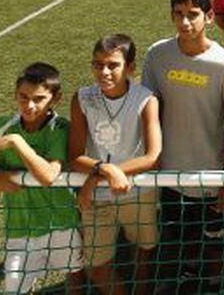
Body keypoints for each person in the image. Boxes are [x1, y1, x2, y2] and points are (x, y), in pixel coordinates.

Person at [0, 62, 85, 294]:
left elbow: (48, 176)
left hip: (62, 222)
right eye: (23, 97)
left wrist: (17, 142)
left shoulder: (60, 128)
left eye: (39, 99)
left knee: (74, 273)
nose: (29, 105)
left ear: (56, 98)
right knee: (15, 288)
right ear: (15, 94)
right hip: (20, 227)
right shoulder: (3, 126)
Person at [141, 0, 224, 289]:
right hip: (170, 172)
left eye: (193, 14)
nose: (184, 22)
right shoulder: (157, 55)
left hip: (211, 175)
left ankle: (213, 280)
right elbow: (148, 111)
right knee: (178, 235)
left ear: (209, 17)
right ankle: (185, 274)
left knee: (213, 238)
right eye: (178, 14)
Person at [69, 34, 162, 294]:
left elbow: (152, 156)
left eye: (113, 65)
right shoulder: (82, 98)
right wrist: (106, 170)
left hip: (137, 192)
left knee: (144, 251)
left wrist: (98, 176)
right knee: (96, 265)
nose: (104, 72)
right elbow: (74, 156)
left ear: (130, 67)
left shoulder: (146, 100)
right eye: (98, 64)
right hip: (97, 196)